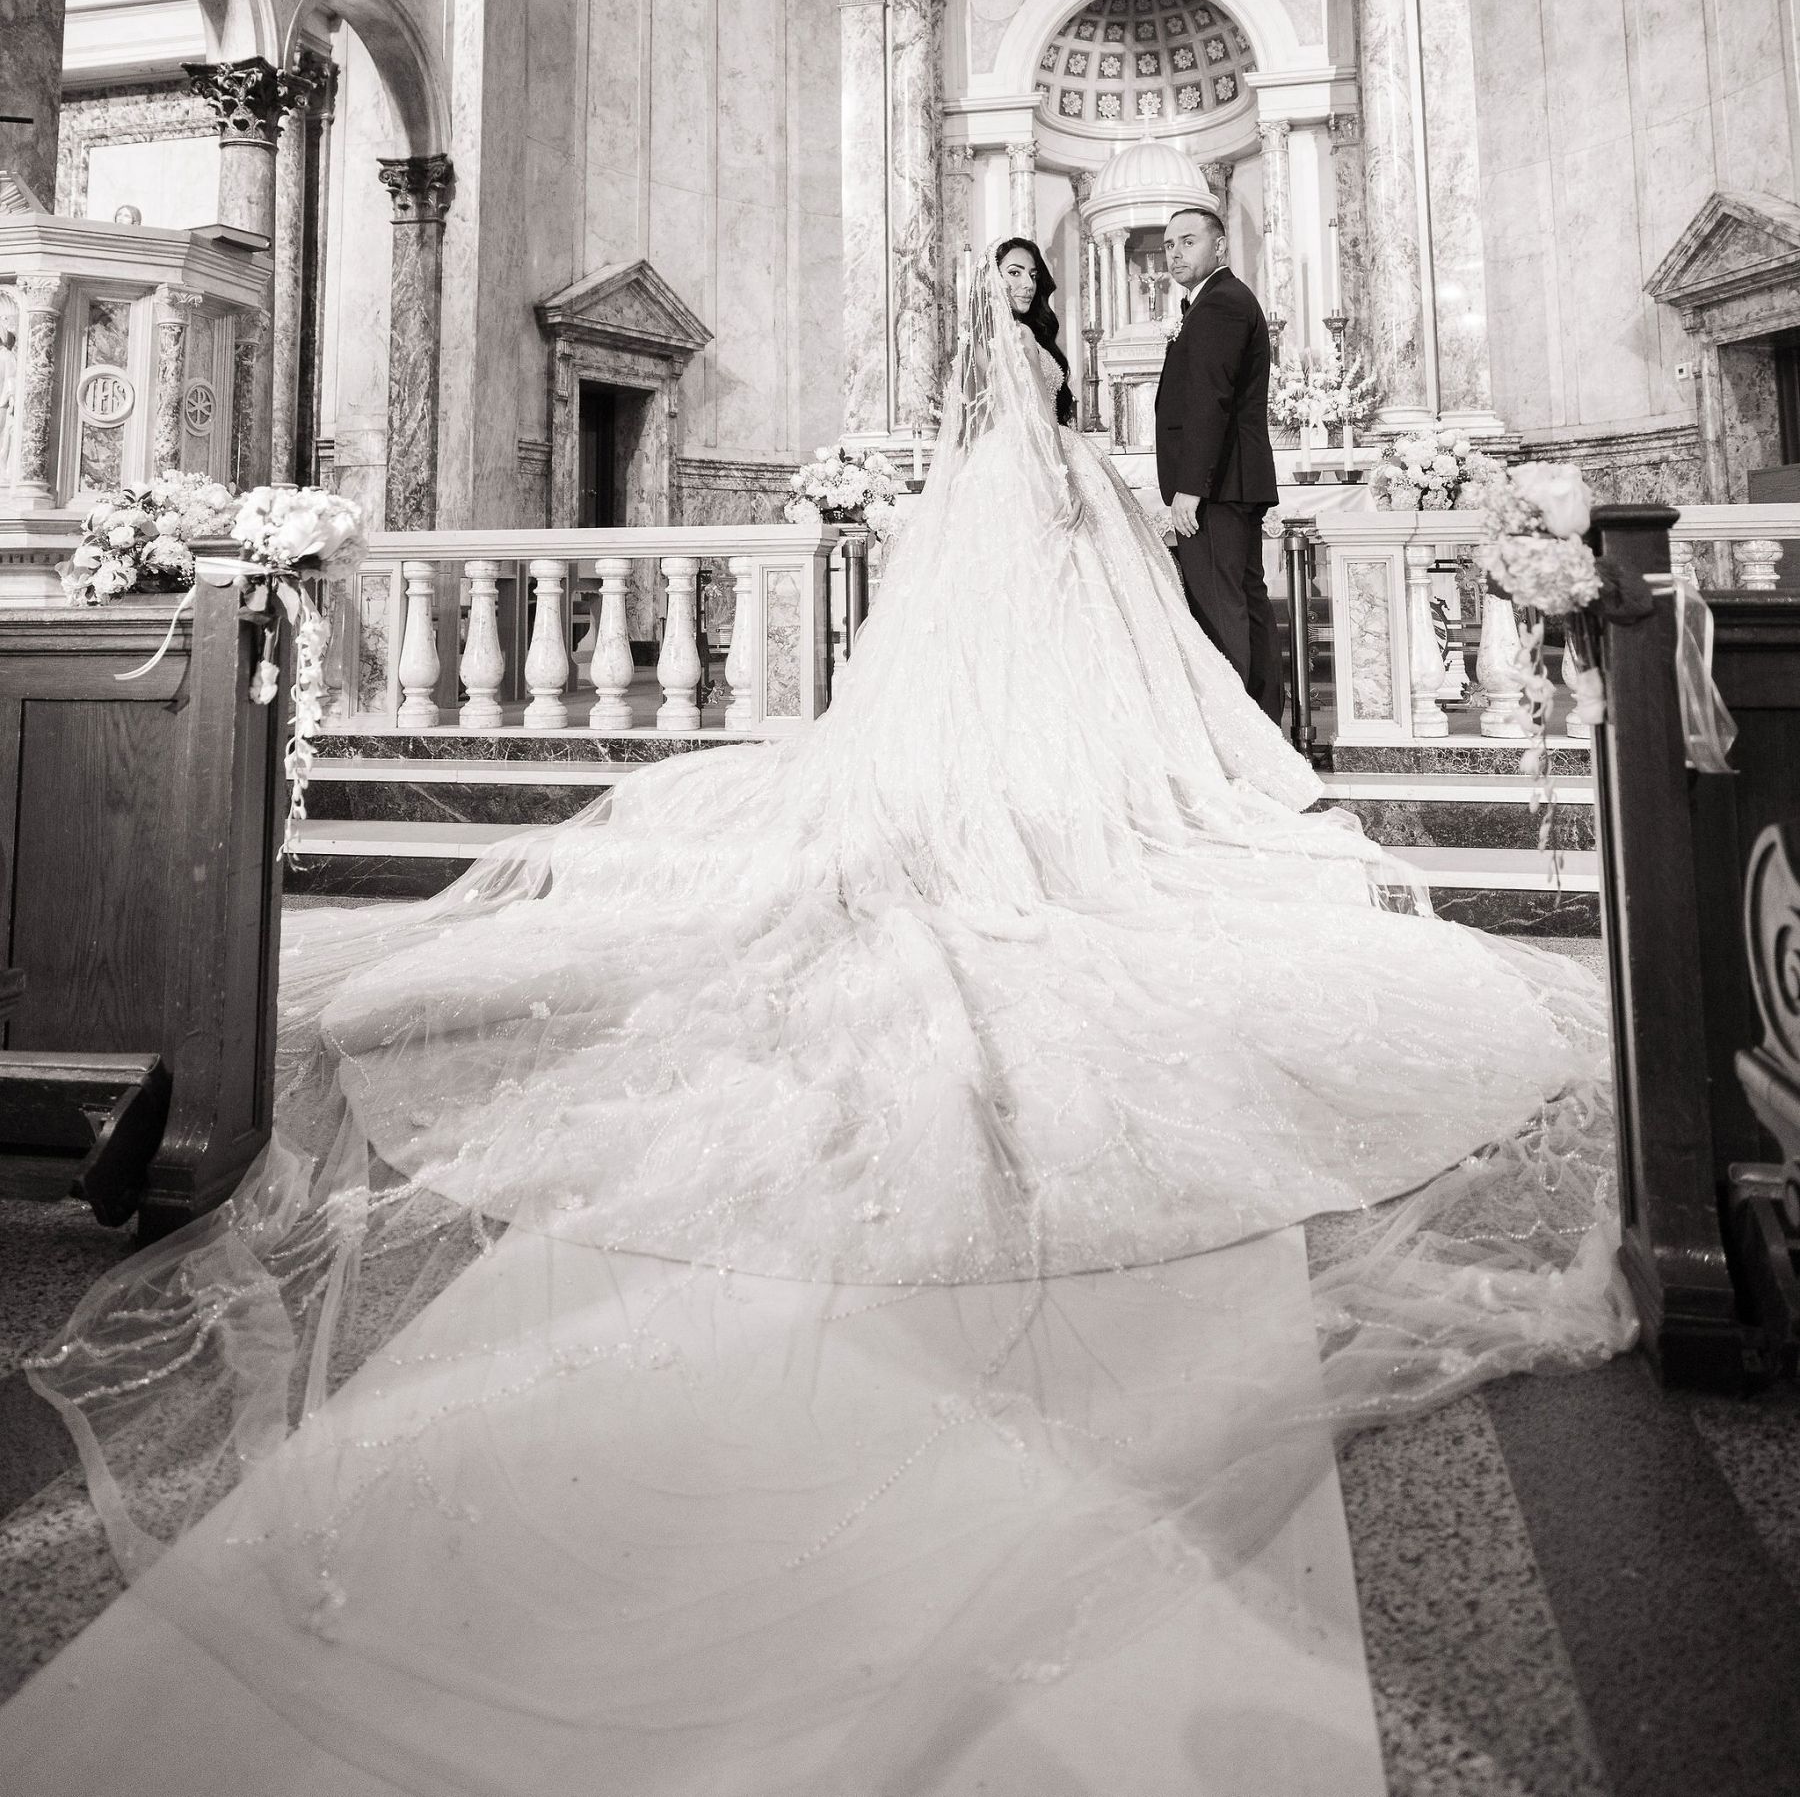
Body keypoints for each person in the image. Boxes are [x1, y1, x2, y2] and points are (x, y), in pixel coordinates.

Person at [17, 241, 1623, 1786]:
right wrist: (1047, 475)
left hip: (1056, 539)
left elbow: (1057, 430)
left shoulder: (1069, 348)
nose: (1009, 288)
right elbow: (996, 434)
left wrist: (1082, 479)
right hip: (1007, 541)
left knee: (1082, 723)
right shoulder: (996, 359)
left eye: (1018, 272)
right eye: (997, 272)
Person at [1155, 198, 1283, 718]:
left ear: (1220, 245)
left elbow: (1211, 398)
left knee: (1219, 605)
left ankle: (1240, 730)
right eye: (1168, 245)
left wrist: (1191, 486)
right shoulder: (1219, 300)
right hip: (1231, 480)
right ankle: (1263, 720)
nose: (1175, 254)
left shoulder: (1221, 303)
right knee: (1244, 599)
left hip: (1217, 484)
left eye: (1188, 241)